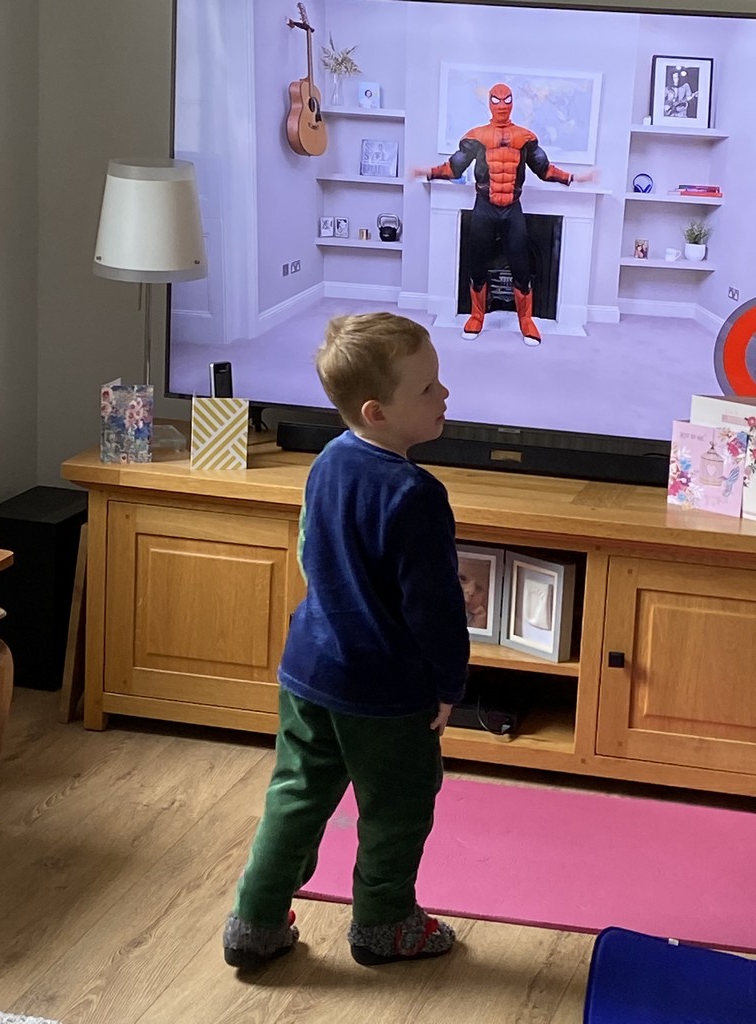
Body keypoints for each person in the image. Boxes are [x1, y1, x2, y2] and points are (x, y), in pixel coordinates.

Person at [223, 312, 470, 970]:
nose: (444, 394)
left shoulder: (328, 460)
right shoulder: (416, 494)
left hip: (310, 671)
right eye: (427, 388)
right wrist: (449, 685)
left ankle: (254, 920)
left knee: (296, 793)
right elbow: (435, 609)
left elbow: (314, 552)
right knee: (396, 810)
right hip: (386, 692)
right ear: (376, 411)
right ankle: (385, 926)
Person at [412, 83, 596, 346]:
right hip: (484, 207)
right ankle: (477, 317)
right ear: (489, 102)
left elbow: (544, 169)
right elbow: (454, 168)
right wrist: (427, 172)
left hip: (512, 209)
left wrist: (574, 178)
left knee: (521, 266)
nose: (501, 105)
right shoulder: (476, 136)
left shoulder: (525, 138)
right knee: (477, 264)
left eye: (506, 100)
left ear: (512, 102)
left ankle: (526, 321)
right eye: (496, 100)